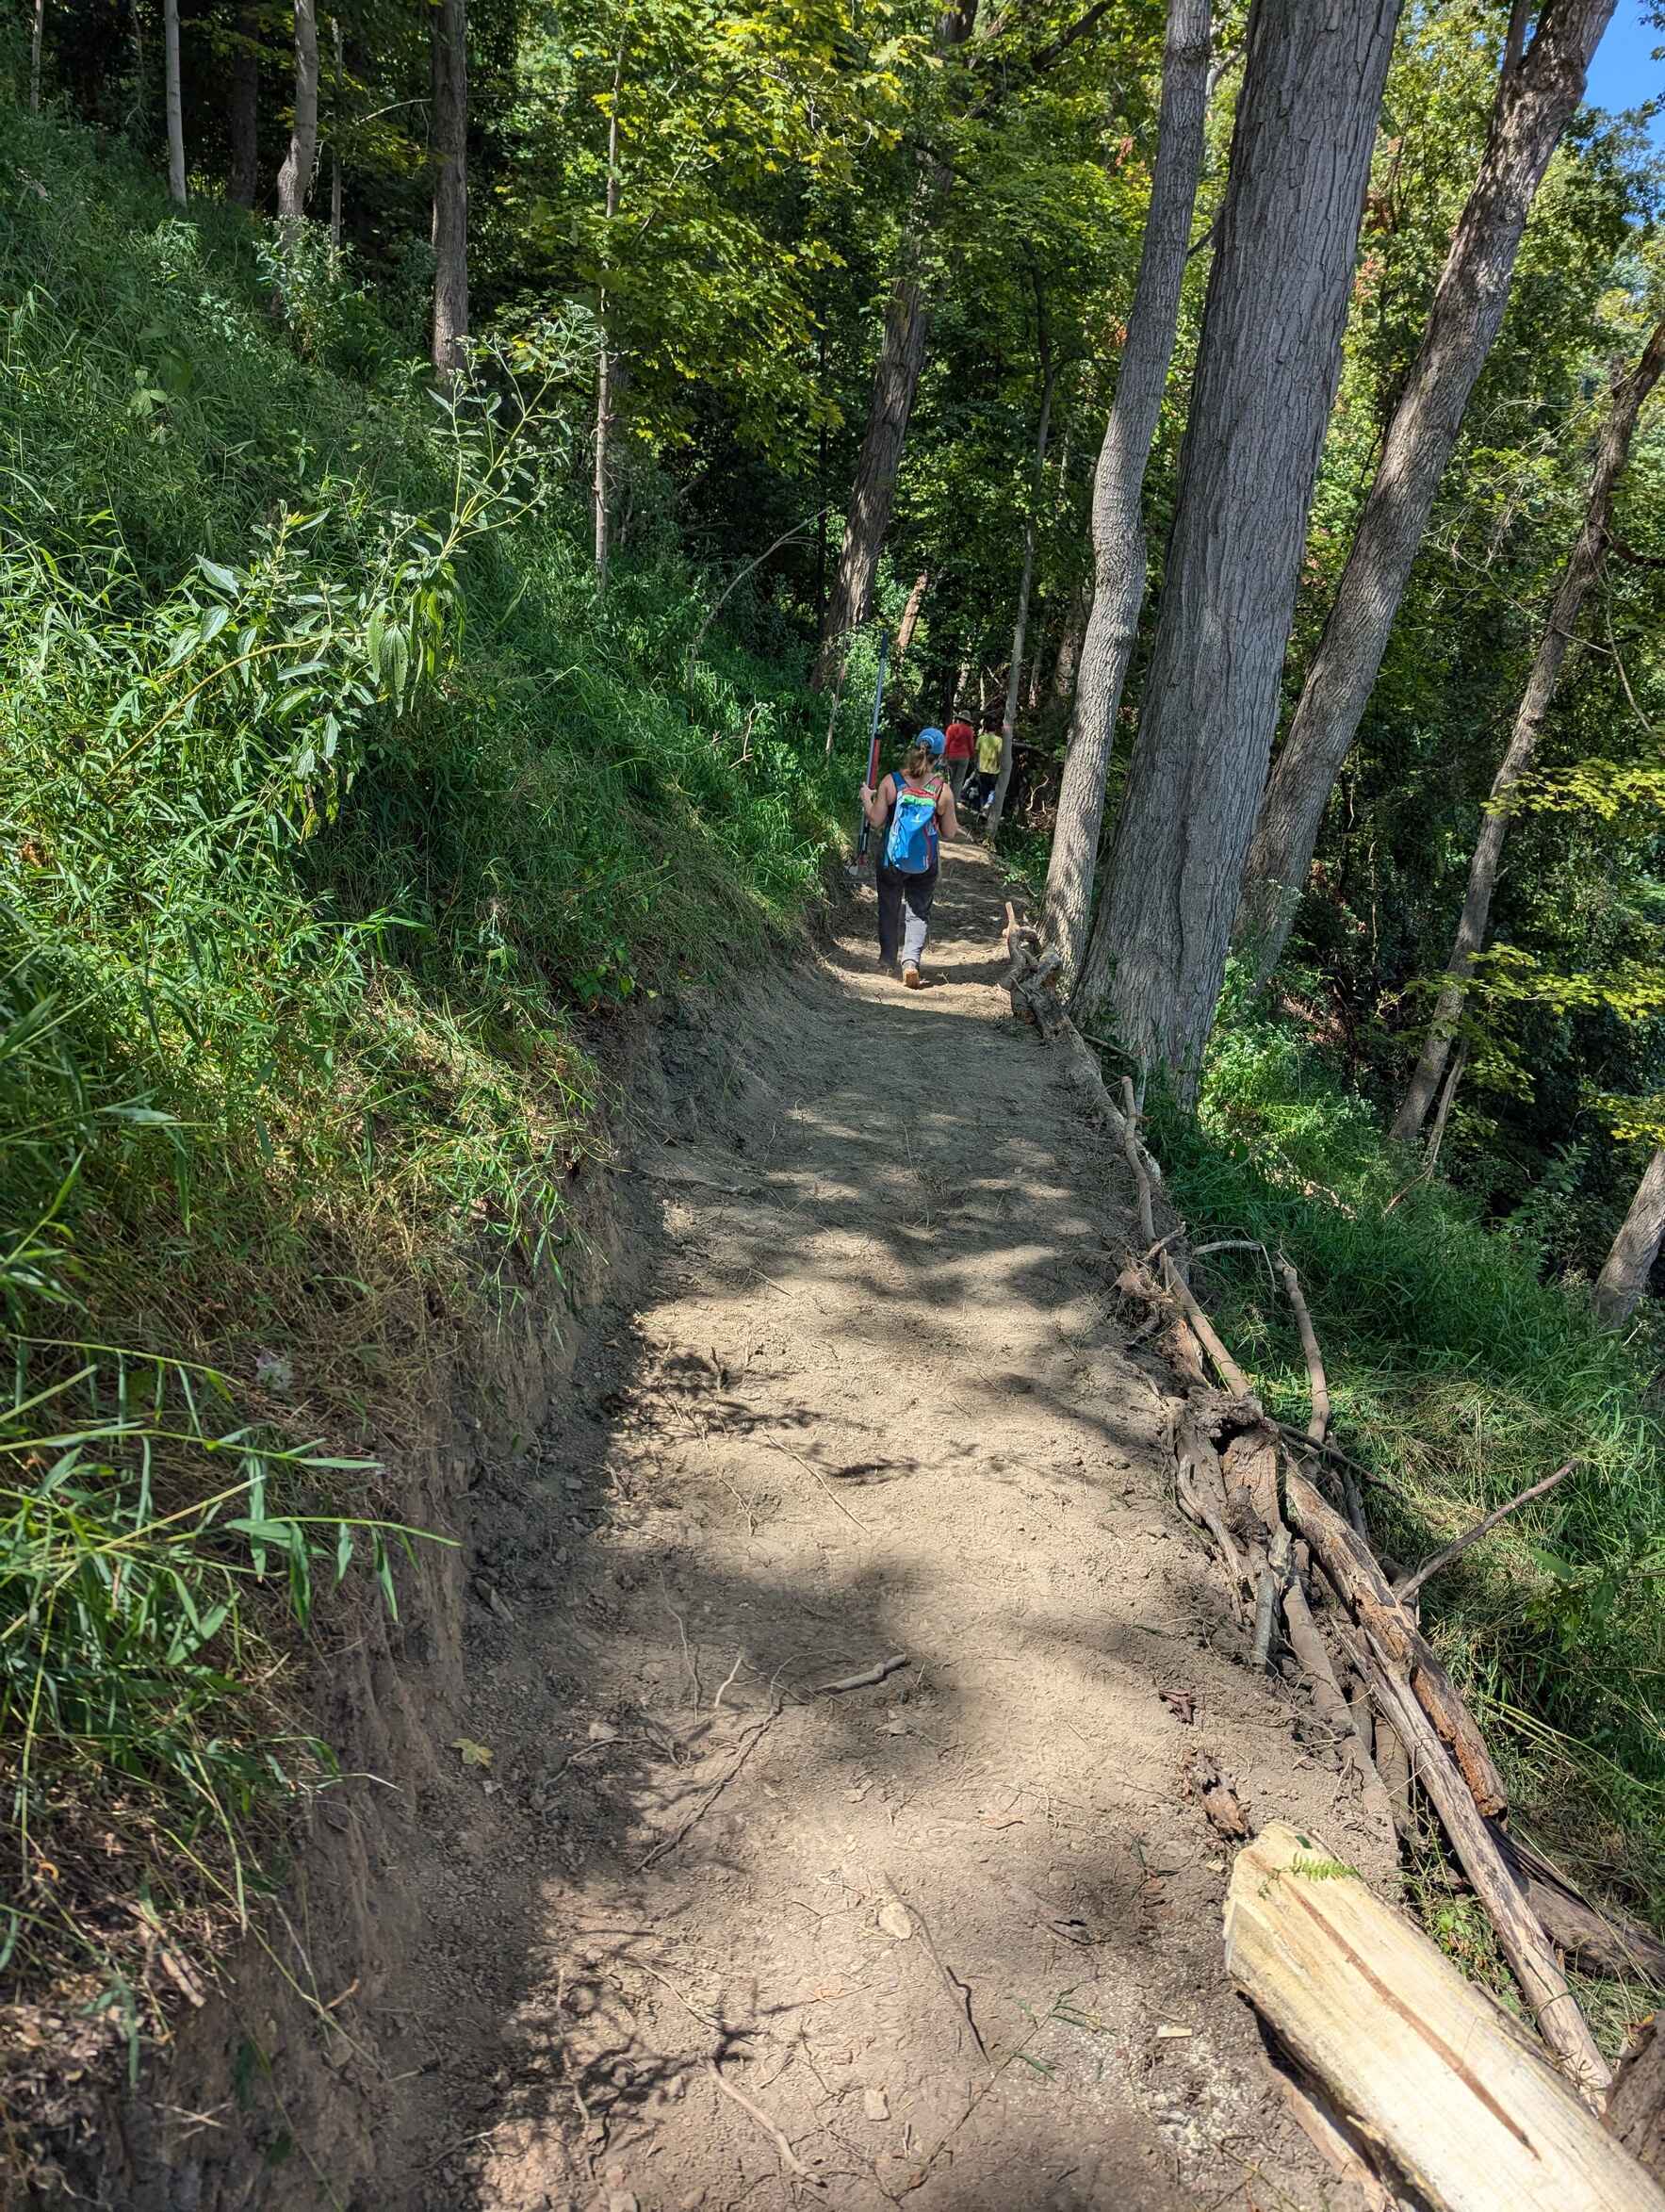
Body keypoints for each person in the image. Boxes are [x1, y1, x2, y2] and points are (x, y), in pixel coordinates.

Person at [859, 733, 960, 987]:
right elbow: (949, 832)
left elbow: (876, 819)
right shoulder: (942, 790)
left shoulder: (891, 782)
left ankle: (886, 960)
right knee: (918, 911)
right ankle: (911, 963)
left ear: (914, 748)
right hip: (924, 863)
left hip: (891, 859)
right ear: (939, 758)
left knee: (889, 906)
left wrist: (865, 798)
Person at [942, 712, 976, 801]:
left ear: (959, 719)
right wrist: (972, 756)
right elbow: (971, 746)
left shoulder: (951, 728)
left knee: (950, 779)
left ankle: (946, 798)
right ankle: (954, 801)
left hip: (951, 756)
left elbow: (947, 743)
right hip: (964, 757)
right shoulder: (969, 730)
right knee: (958, 781)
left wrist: (944, 755)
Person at [973, 720, 1003, 811]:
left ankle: (983, 809)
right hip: (994, 770)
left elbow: (976, 752)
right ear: (995, 730)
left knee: (983, 791)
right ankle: (988, 804)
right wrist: (999, 764)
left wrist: (976, 764)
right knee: (992, 789)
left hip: (982, 768)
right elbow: (999, 754)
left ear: (986, 729)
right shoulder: (999, 740)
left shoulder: (981, 738)